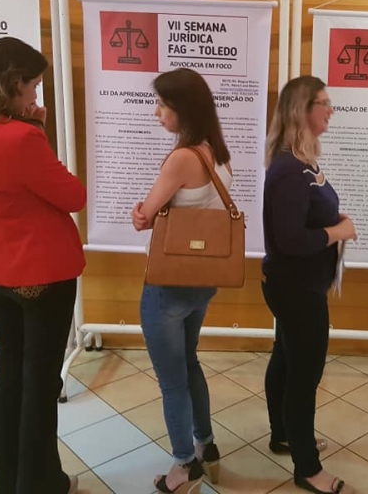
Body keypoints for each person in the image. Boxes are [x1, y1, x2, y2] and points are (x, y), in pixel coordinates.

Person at [0, 37, 86, 494]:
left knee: (9, 374)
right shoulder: (22, 137)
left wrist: (31, 128)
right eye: (33, 85)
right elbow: (73, 195)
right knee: (40, 384)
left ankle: (13, 482)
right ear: (11, 83)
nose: (35, 95)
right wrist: (37, 133)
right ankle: (37, 485)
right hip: (41, 272)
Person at [131, 68, 230, 494]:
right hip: (202, 281)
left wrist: (141, 212)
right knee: (189, 363)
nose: (157, 113)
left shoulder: (182, 158)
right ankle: (206, 444)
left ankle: (184, 466)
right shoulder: (216, 153)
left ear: (183, 109)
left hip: (168, 284)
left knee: (172, 380)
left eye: (162, 105)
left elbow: (145, 216)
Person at [261, 76, 357, 494]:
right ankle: (308, 468)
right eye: (324, 103)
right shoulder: (288, 169)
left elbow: (305, 219)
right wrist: (338, 232)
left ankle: (283, 435)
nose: (331, 110)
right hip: (296, 288)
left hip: (299, 285)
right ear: (302, 110)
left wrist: (333, 221)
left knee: (286, 359)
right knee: (304, 375)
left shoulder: (302, 162)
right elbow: (290, 240)